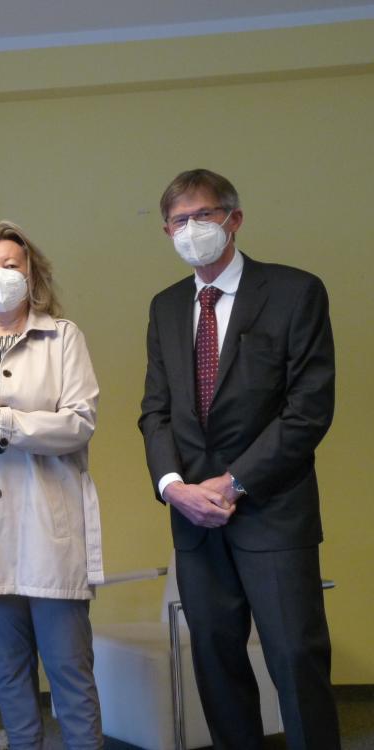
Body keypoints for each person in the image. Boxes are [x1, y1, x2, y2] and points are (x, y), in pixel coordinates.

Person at [139, 168, 339, 749]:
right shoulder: (165, 306)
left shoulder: (295, 292)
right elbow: (155, 412)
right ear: (166, 231)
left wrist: (234, 482)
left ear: (234, 219)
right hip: (194, 520)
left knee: (296, 659)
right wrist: (173, 486)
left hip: (273, 511)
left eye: (204, 215)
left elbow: (308, 411)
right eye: (179, 220)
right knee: (216, 663)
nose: (192, 229)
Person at [0, 221, 104, 750]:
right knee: (9, 674)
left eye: (11, 265)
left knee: (69, 670)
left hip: (46, 528)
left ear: (32, 274)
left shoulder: (63, 337)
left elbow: (78, 423)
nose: (0, 275)